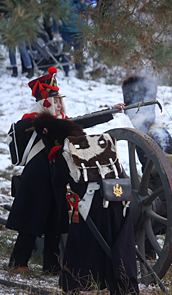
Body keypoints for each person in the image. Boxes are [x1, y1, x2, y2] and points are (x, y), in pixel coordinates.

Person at [6, 67, 120, 275]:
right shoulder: (31, 121)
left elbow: (81, 121)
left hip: (56, 175)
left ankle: (51, 264)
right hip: (37, 176)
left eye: (60, 100)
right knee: (31, 221)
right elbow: (55, 125)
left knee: (55, 221)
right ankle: (18, 262)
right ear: (44, 102)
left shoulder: (59, 123)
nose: (59, 104)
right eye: (55, 101)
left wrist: (108, 113)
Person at [31, 113, 139, 295]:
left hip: (88, 206)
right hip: (117, 199)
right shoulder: (105, 142)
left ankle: (74, 283)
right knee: (121, 242)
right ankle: (124, 290)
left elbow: (58, 182)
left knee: (80, 242)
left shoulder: (62, 149)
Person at [121, 76, 172, 268]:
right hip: (151, 182)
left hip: (166, 182)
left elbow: (167, 165)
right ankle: (149, 250)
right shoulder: (142, 132)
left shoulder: (157, 133)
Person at [61, 0, 87, 78]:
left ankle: (79, 71)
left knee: (78, 51)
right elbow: (63, 11)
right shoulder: (64, 1)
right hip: (67, 30)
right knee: (66, 51)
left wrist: (82, 4)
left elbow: (85, 12)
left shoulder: (81, 1)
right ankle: (66, 71)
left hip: (79, 30)